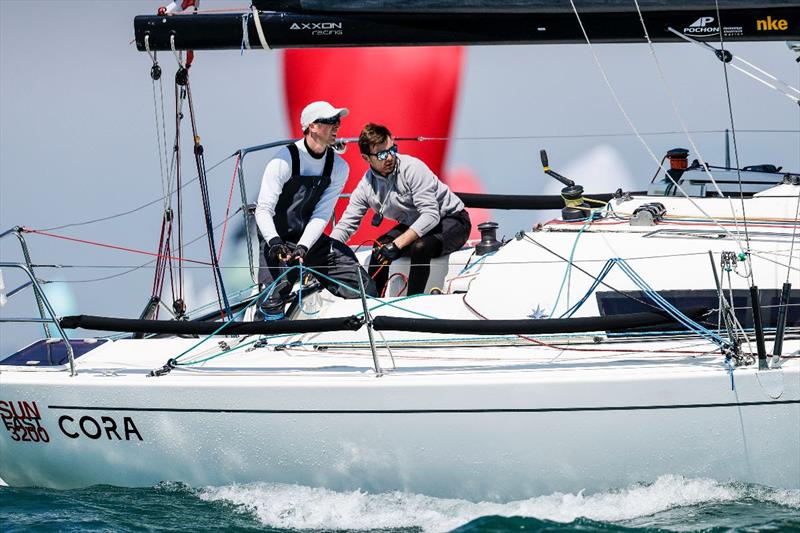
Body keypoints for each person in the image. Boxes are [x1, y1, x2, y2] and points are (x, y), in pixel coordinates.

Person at [254, 101, 376, 319]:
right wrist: (274, 242)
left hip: (310, 240)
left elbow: (321, 213)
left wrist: (303, 246)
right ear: (312, 126)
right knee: (271, 305)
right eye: (330, 121)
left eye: (337, 121)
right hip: (277, 240)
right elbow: (263, 209)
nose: (337, 126)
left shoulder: (339, 166)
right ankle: (263, 341)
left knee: (363, 287)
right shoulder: (283, 161)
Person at [331, 123, 471, 296]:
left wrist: (397, 244)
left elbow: (431, 215)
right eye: (382, 154)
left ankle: (412, 303)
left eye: (392, 150)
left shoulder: (413, 168)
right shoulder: (365, 187)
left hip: (452, 220)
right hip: (415, 223)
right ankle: (372, 303)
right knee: (379, 249)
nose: (390, 157)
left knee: (420, 247)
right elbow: (346, 225)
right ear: (366, 158)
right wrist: (323, 251)